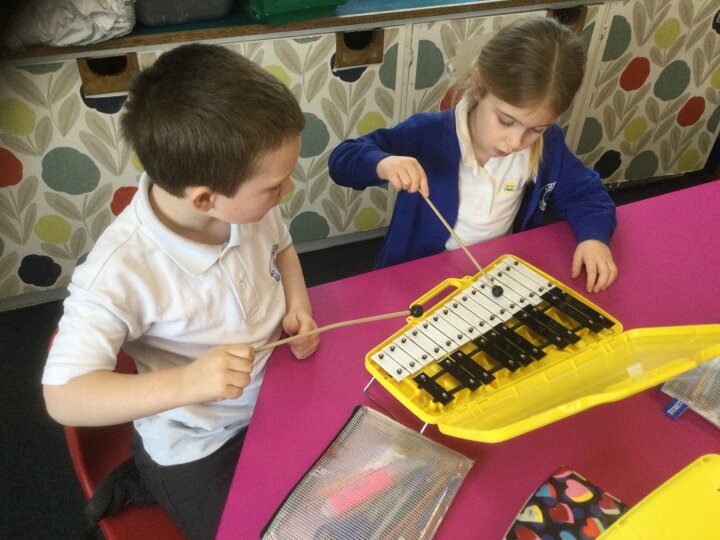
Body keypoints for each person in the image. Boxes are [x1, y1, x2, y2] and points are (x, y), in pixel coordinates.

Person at [42, 43, 319, 539]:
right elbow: (64, 396)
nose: (288, 191)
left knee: (348, 487)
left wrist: (297, 305)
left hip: (275, 395)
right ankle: (149, 473)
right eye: (275, 186)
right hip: (199, 443)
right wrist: (189, 383)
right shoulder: (119, 270)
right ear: (206, 199)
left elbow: (283, 250)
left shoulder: (250, 206)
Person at [329, 16, 618, 293]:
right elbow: (343, 159)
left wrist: (594, 237)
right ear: (479, 86)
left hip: (494, 277)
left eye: (536, 129)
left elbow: (585, 193)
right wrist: (382, 163)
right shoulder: (427, 134)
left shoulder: (547, 144)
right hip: (418, 280)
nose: (516, 142)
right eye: (505, 121)